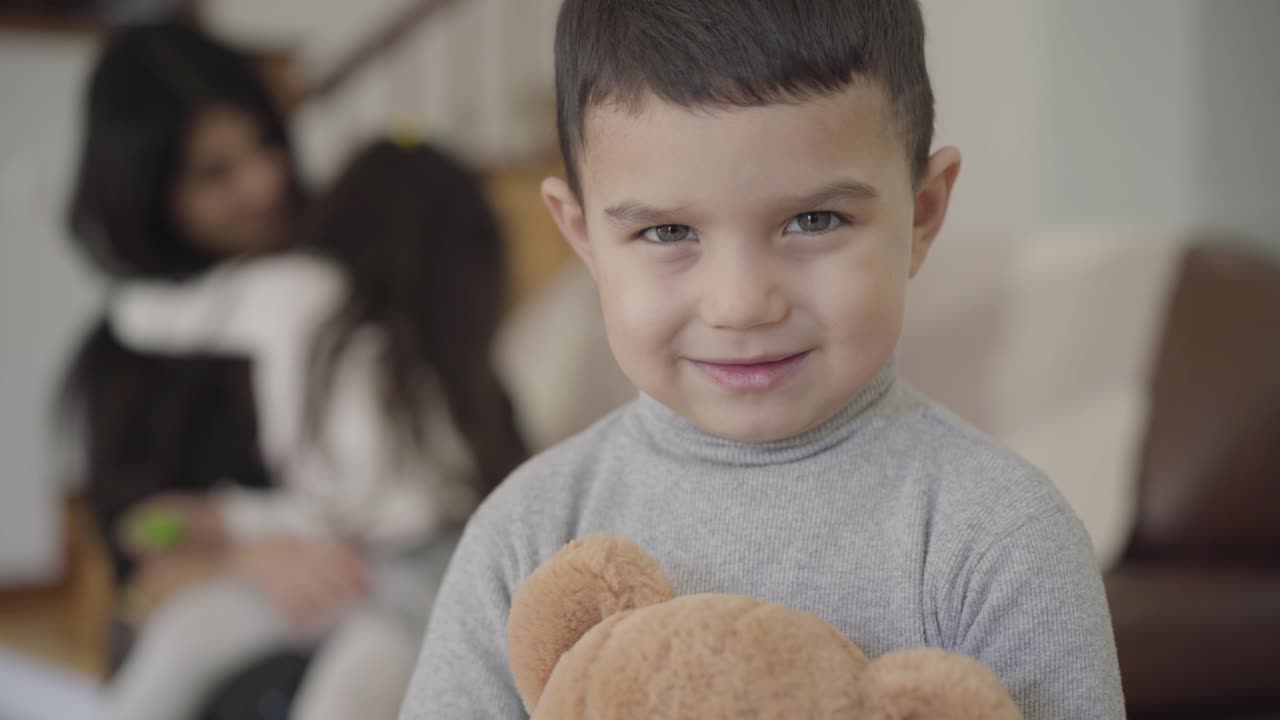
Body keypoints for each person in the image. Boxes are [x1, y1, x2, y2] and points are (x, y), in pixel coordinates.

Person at [398, 1, 1125, 718]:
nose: (742, 303)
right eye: (667, 231)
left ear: (922, 214)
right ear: (584, 238)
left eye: (814, 221)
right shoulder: (528, 532)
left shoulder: (999, 537)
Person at [100, 136, 527, 720]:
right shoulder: (454, 366)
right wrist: (224, 518)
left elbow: (141, 314)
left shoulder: (302, 295)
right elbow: (353, 505)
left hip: (404, 576)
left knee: (196, 642)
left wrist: (227, 518)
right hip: (357, 560)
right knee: (227, 646)